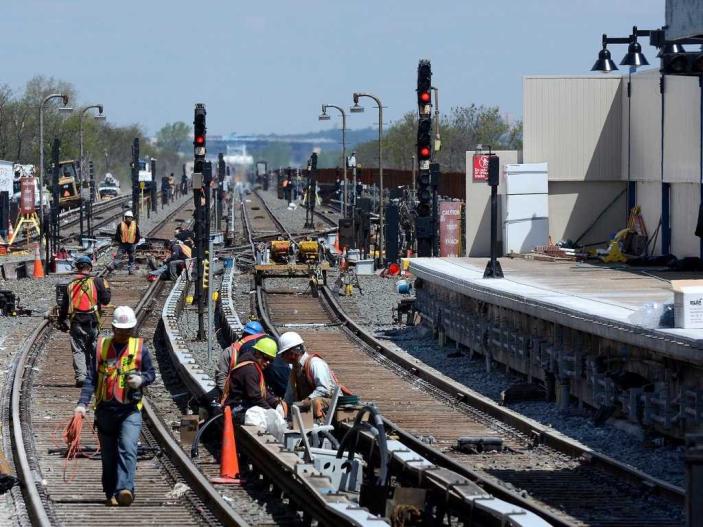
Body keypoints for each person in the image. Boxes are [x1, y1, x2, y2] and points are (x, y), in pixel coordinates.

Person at [73, 306, 155, 507]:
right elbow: (92, 377)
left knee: (128, 448)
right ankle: (111, 491)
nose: (123, 334)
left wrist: (141, 379)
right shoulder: (101, 347)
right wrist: (82, 404)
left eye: (127, 331)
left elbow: (152, 374)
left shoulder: (140, 348)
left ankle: (125, 489)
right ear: (113, 328)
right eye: (120, 330)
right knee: (109, 455)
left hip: (129, 409)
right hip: (105, 410)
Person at [58, 255, 111, 387]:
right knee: (94, 348)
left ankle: (81, 377)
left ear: (77, 267)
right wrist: (107, 290)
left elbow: (64, 307)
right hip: (92, 320)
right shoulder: (98, 281)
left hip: (76, 321)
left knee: (78, 349)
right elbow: (106, 300)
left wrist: (61, 320)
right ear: (90, 267)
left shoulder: (70, 285)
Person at [278, 331, 346, 421]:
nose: (282, 357)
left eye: (283, 354)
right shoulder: (295, 370)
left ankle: (320, 429)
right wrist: (282, 406)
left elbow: (324, 389)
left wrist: (306, 401)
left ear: (293, 353)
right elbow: (289, 397)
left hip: (332, 405)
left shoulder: (315, 364)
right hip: (313, 407)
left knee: (315, 402)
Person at [223, 336, 282, 423]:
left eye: (271, 360)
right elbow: (255, 397)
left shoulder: (254, 367)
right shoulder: (250, 370)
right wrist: (271, 411)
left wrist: (275, 403)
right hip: (236, 409)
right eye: (266, 358)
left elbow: (263, 392)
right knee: (265, 422)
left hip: (242, 406)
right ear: (257, 353)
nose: (268, 362)